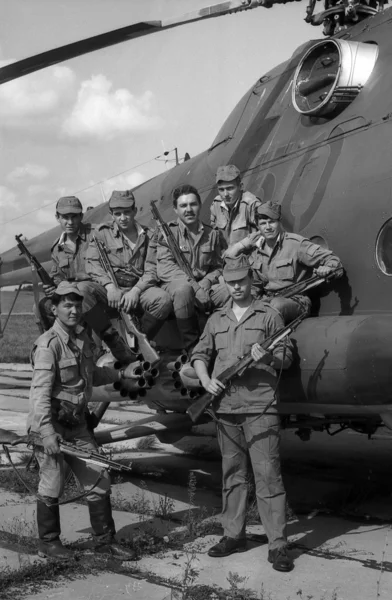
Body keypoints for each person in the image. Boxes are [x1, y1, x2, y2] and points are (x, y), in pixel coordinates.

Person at [191, 255, 294, 572]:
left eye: (241, 281)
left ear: (251, 281)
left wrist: (268, 358)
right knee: (232, 476)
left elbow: (287, 357)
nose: (236, 286)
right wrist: (205, 379)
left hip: (260, 406)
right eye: (230, 281)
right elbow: (200, 353)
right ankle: (233, 535)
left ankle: (277, 545)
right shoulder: (217, 319)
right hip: (225, 408)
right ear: (225, 283)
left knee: (268, 476)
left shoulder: (269, 316)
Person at [28, 282, 137, 561]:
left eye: (77, 305)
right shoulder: (47, 346)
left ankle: (105, 541)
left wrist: (119, 376)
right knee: (52, 483)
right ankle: (49, 543)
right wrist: (47, 433)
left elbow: (91, 376)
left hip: (78, 426)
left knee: (99, 478)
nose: (74, 310)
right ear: (54, 309)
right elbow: (39, 395)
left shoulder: (82, 341)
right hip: (52, 426)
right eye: (67, 304)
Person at [38, 195, 135, 364]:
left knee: (82, 289)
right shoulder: (57, 248)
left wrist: (84, 277)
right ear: (57, 218)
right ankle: (59, 350)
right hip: (79, 298)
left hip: (105, 291)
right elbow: (58, 279)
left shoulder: (98, 233)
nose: (70, 221)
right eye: (65, 217)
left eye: (74, 216)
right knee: (41, 306)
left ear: (81, 216)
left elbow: (116, 265)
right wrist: (53, 289)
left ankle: (114, 343)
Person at [136, 184, 229, 352]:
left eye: (193, 204)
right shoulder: (166, 233)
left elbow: (219, 266)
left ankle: (227, 342)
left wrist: (208, 281)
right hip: (174, 284)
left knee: (229, 291)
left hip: (203, 285)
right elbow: (166, 268)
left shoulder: (212, 234)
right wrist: (196, 288)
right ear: (176, 210)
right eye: (183, 206)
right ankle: (192, 348)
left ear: (200, 205)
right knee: (184, 290)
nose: (189, 209)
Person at [225, 201, 343, 323]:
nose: (268, 227)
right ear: (258, 227)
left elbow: (333, 260)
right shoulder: (256, 252)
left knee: (275, 307)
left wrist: (328, 268)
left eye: (272, 222)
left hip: (296, 301)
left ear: (279, 222)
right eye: (263, 223)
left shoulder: (296, 244)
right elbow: (255, 285)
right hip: (268, 301)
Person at [85, 189, 172, 343]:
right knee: (82, 290)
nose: (123, 218)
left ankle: (139, 343)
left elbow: (151, 269)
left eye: (127, 212)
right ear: (112, 214)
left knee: (163, 300)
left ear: (135, 211)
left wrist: (136, 291)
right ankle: (110, 343)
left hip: (138, 287)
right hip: (111, 288)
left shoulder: (149, 235)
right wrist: (110, 286)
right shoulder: (101, 233)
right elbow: (92, 264)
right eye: (118, 214)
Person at [210, 165, 262, 247]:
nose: (225, 194)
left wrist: (240, 246)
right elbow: (213, 232)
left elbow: (266, 231)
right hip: (225, 256)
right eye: (221, 189)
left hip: (248, 256)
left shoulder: (250, 204)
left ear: (240, 186)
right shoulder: (216, 204)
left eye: (230, 188)